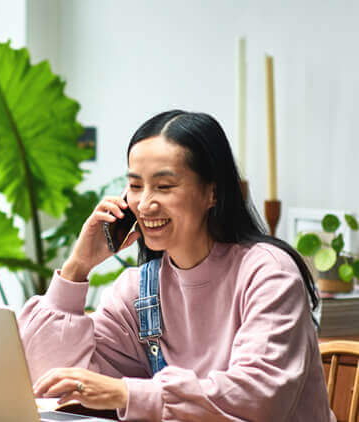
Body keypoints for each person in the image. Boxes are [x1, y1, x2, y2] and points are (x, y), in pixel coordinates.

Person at [18, 110, 335, 421]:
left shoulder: (269, 272)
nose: (144, 204)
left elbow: (260, 398)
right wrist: (77, 267)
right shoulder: (139, 290)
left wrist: (127, 394)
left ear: (212, 192)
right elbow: (49, 379)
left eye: (164, 186)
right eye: (136, 185)